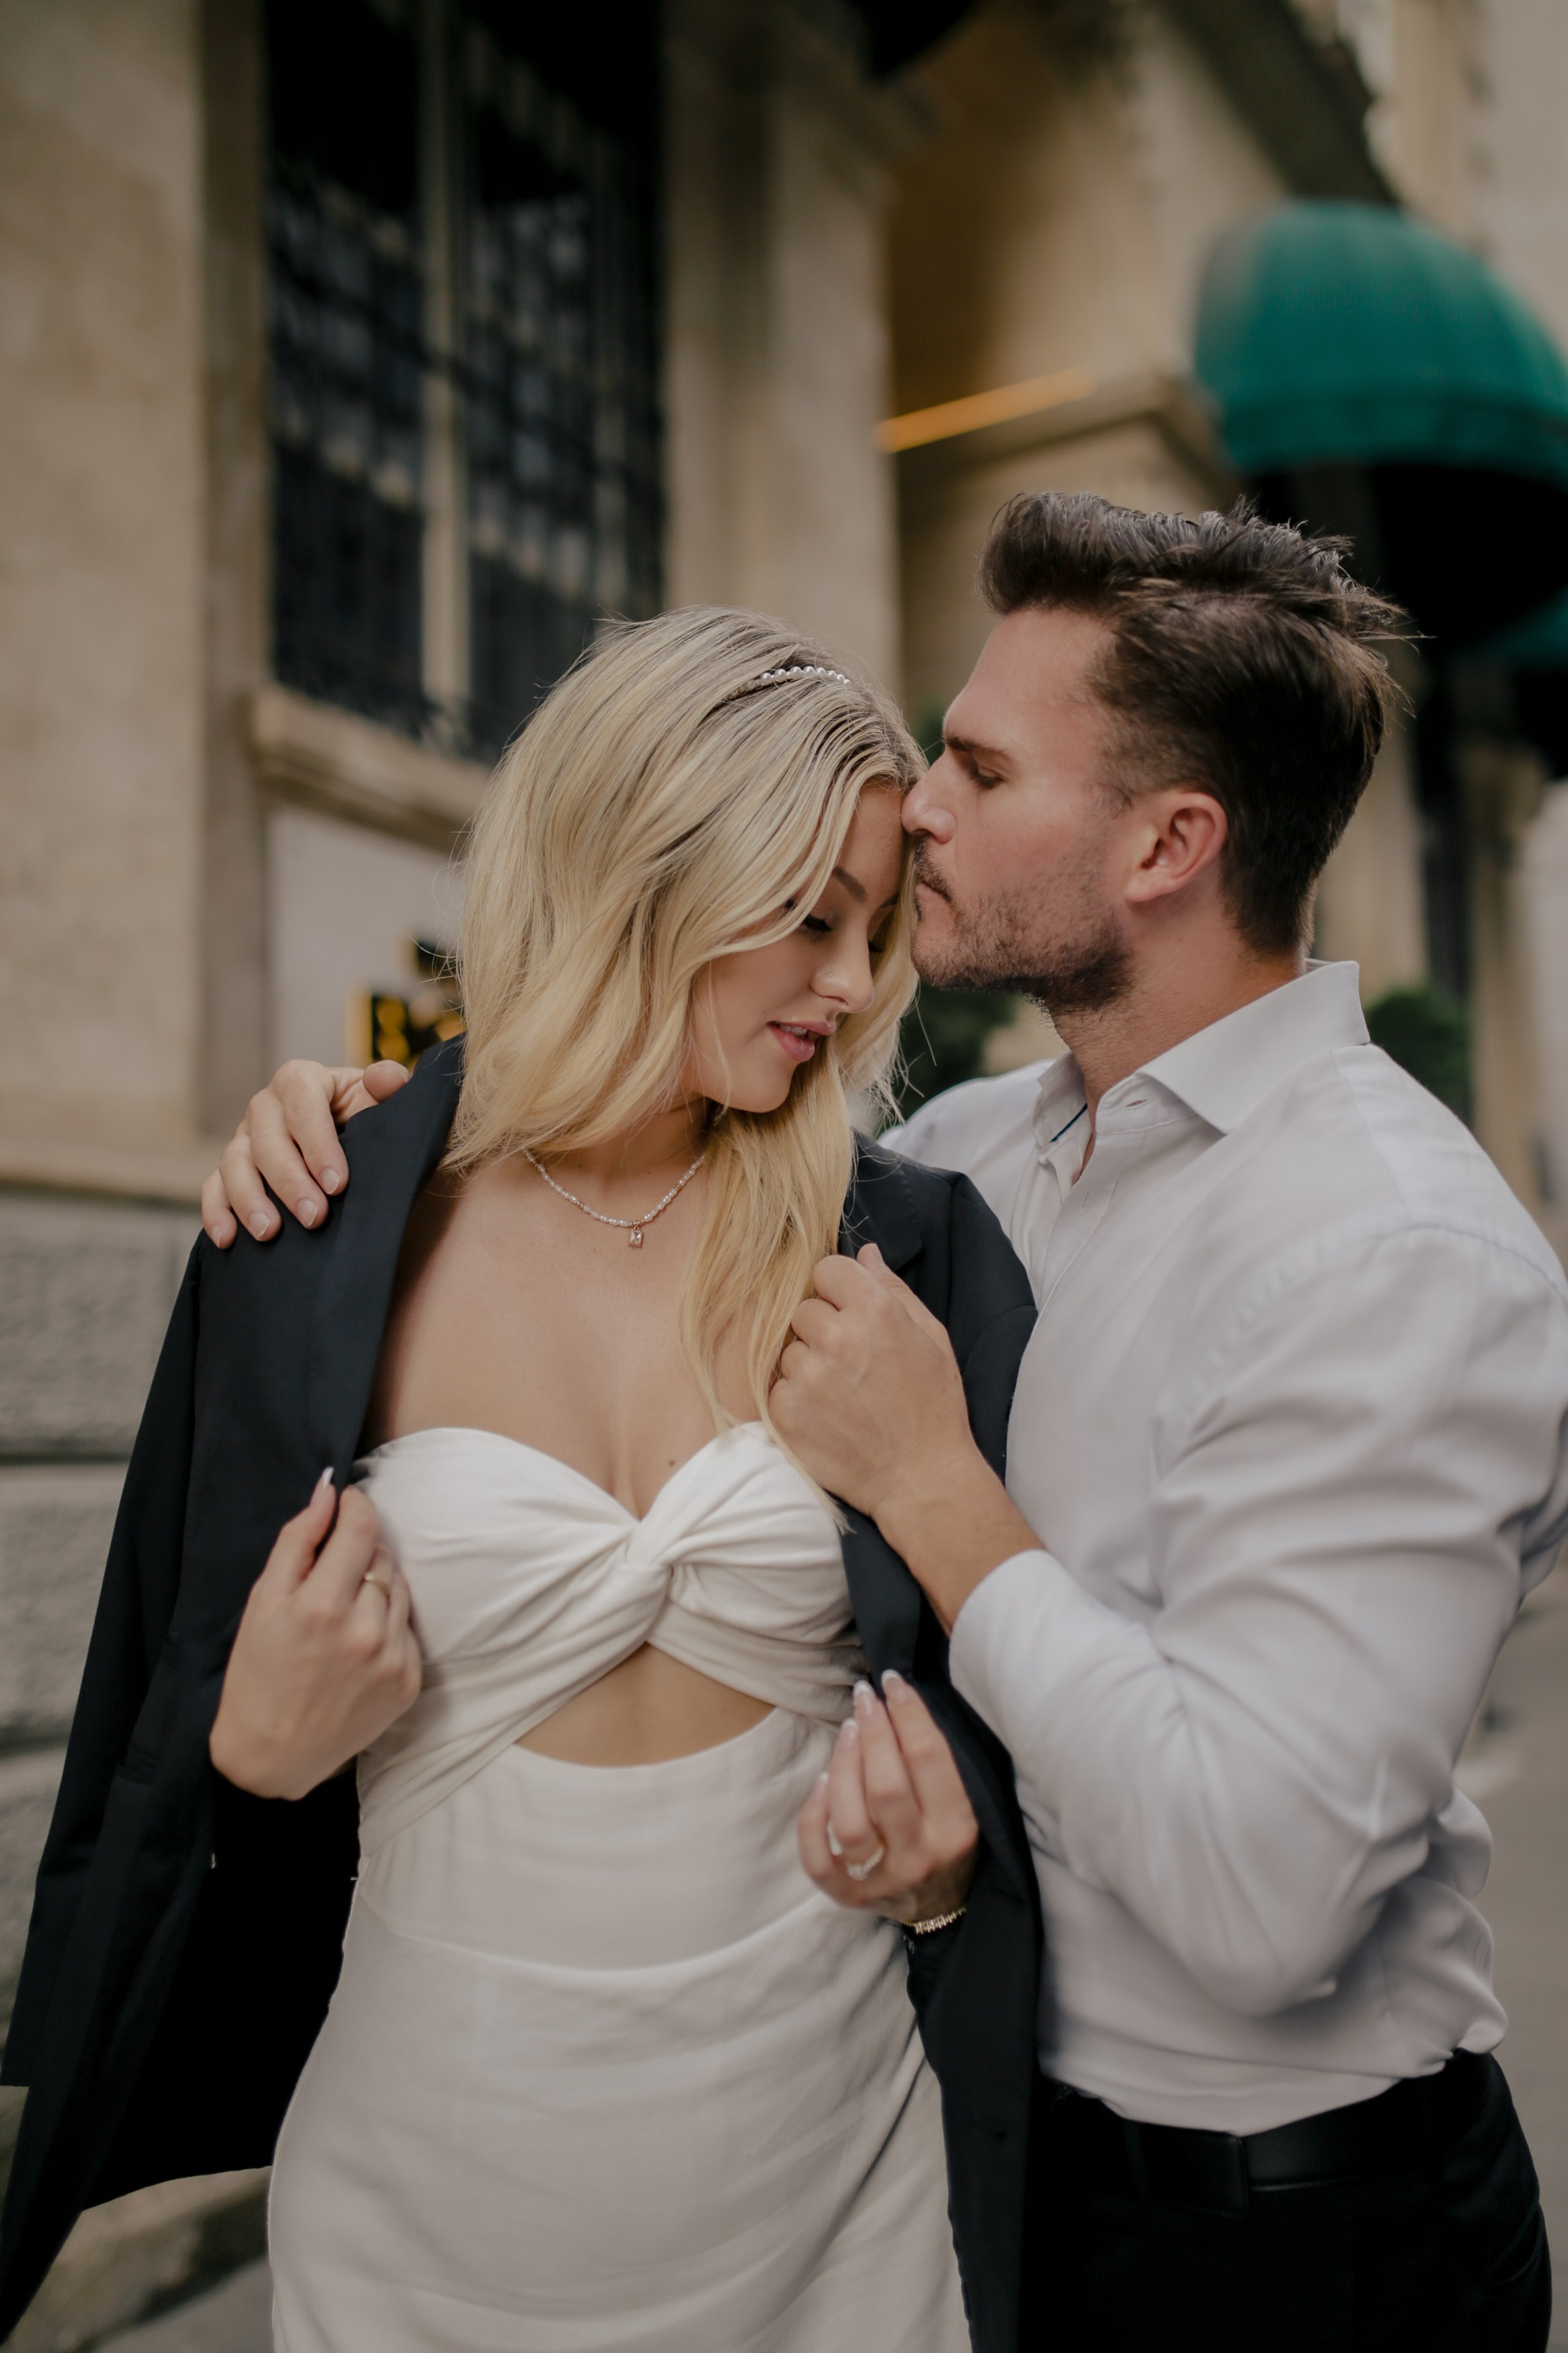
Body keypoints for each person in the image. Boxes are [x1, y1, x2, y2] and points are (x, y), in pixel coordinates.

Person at [224, 495, 1565, 2353]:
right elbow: (625, 1153)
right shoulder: (950, 1169)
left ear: (1169, 842)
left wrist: (935, 1487)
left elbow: (1265, 1900)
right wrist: (360, 1131)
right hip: (965, 2155)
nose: (919, 800)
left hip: (1285, 2238)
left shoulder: (1396, 1251)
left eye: (977, 762)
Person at [0, 609, 1043, 2353]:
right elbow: (162, 1752)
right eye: (808, 913)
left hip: (841, 2195)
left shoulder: (906, 1253)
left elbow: (1014, 1721)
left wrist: (946, 1870)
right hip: (428, 2213)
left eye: (871, 924)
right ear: (642, 869)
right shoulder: (317, 1226)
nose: (856, 983)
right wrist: (254, 1756)